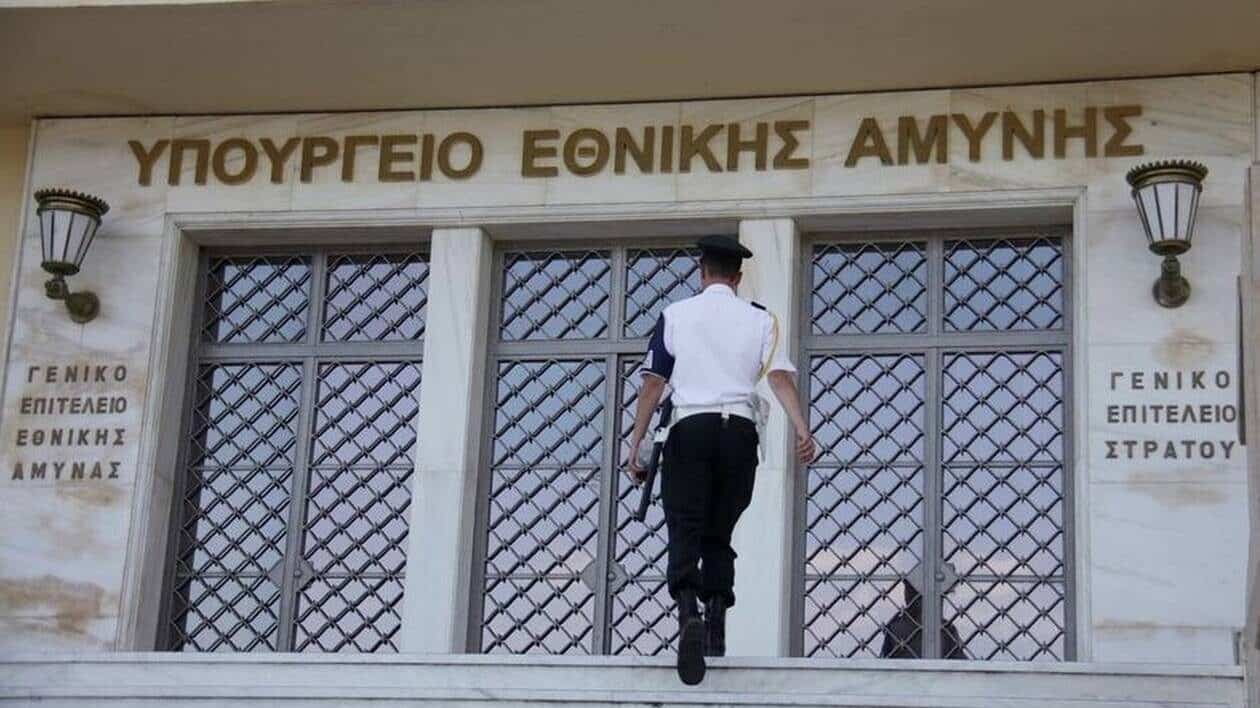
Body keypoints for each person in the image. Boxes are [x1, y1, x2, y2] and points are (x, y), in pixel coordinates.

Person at [626, 234, 816, 685]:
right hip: (739, 435)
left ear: (702, 272)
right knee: (719, 532)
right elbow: (780, 378)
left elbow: (653, 384)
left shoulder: (676, 314)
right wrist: (802, 429)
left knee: (684, 525)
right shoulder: (761, 319)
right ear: (738, 277)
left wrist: (634, 444)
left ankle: (687, 612)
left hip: (690, 429)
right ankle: (716, 624)